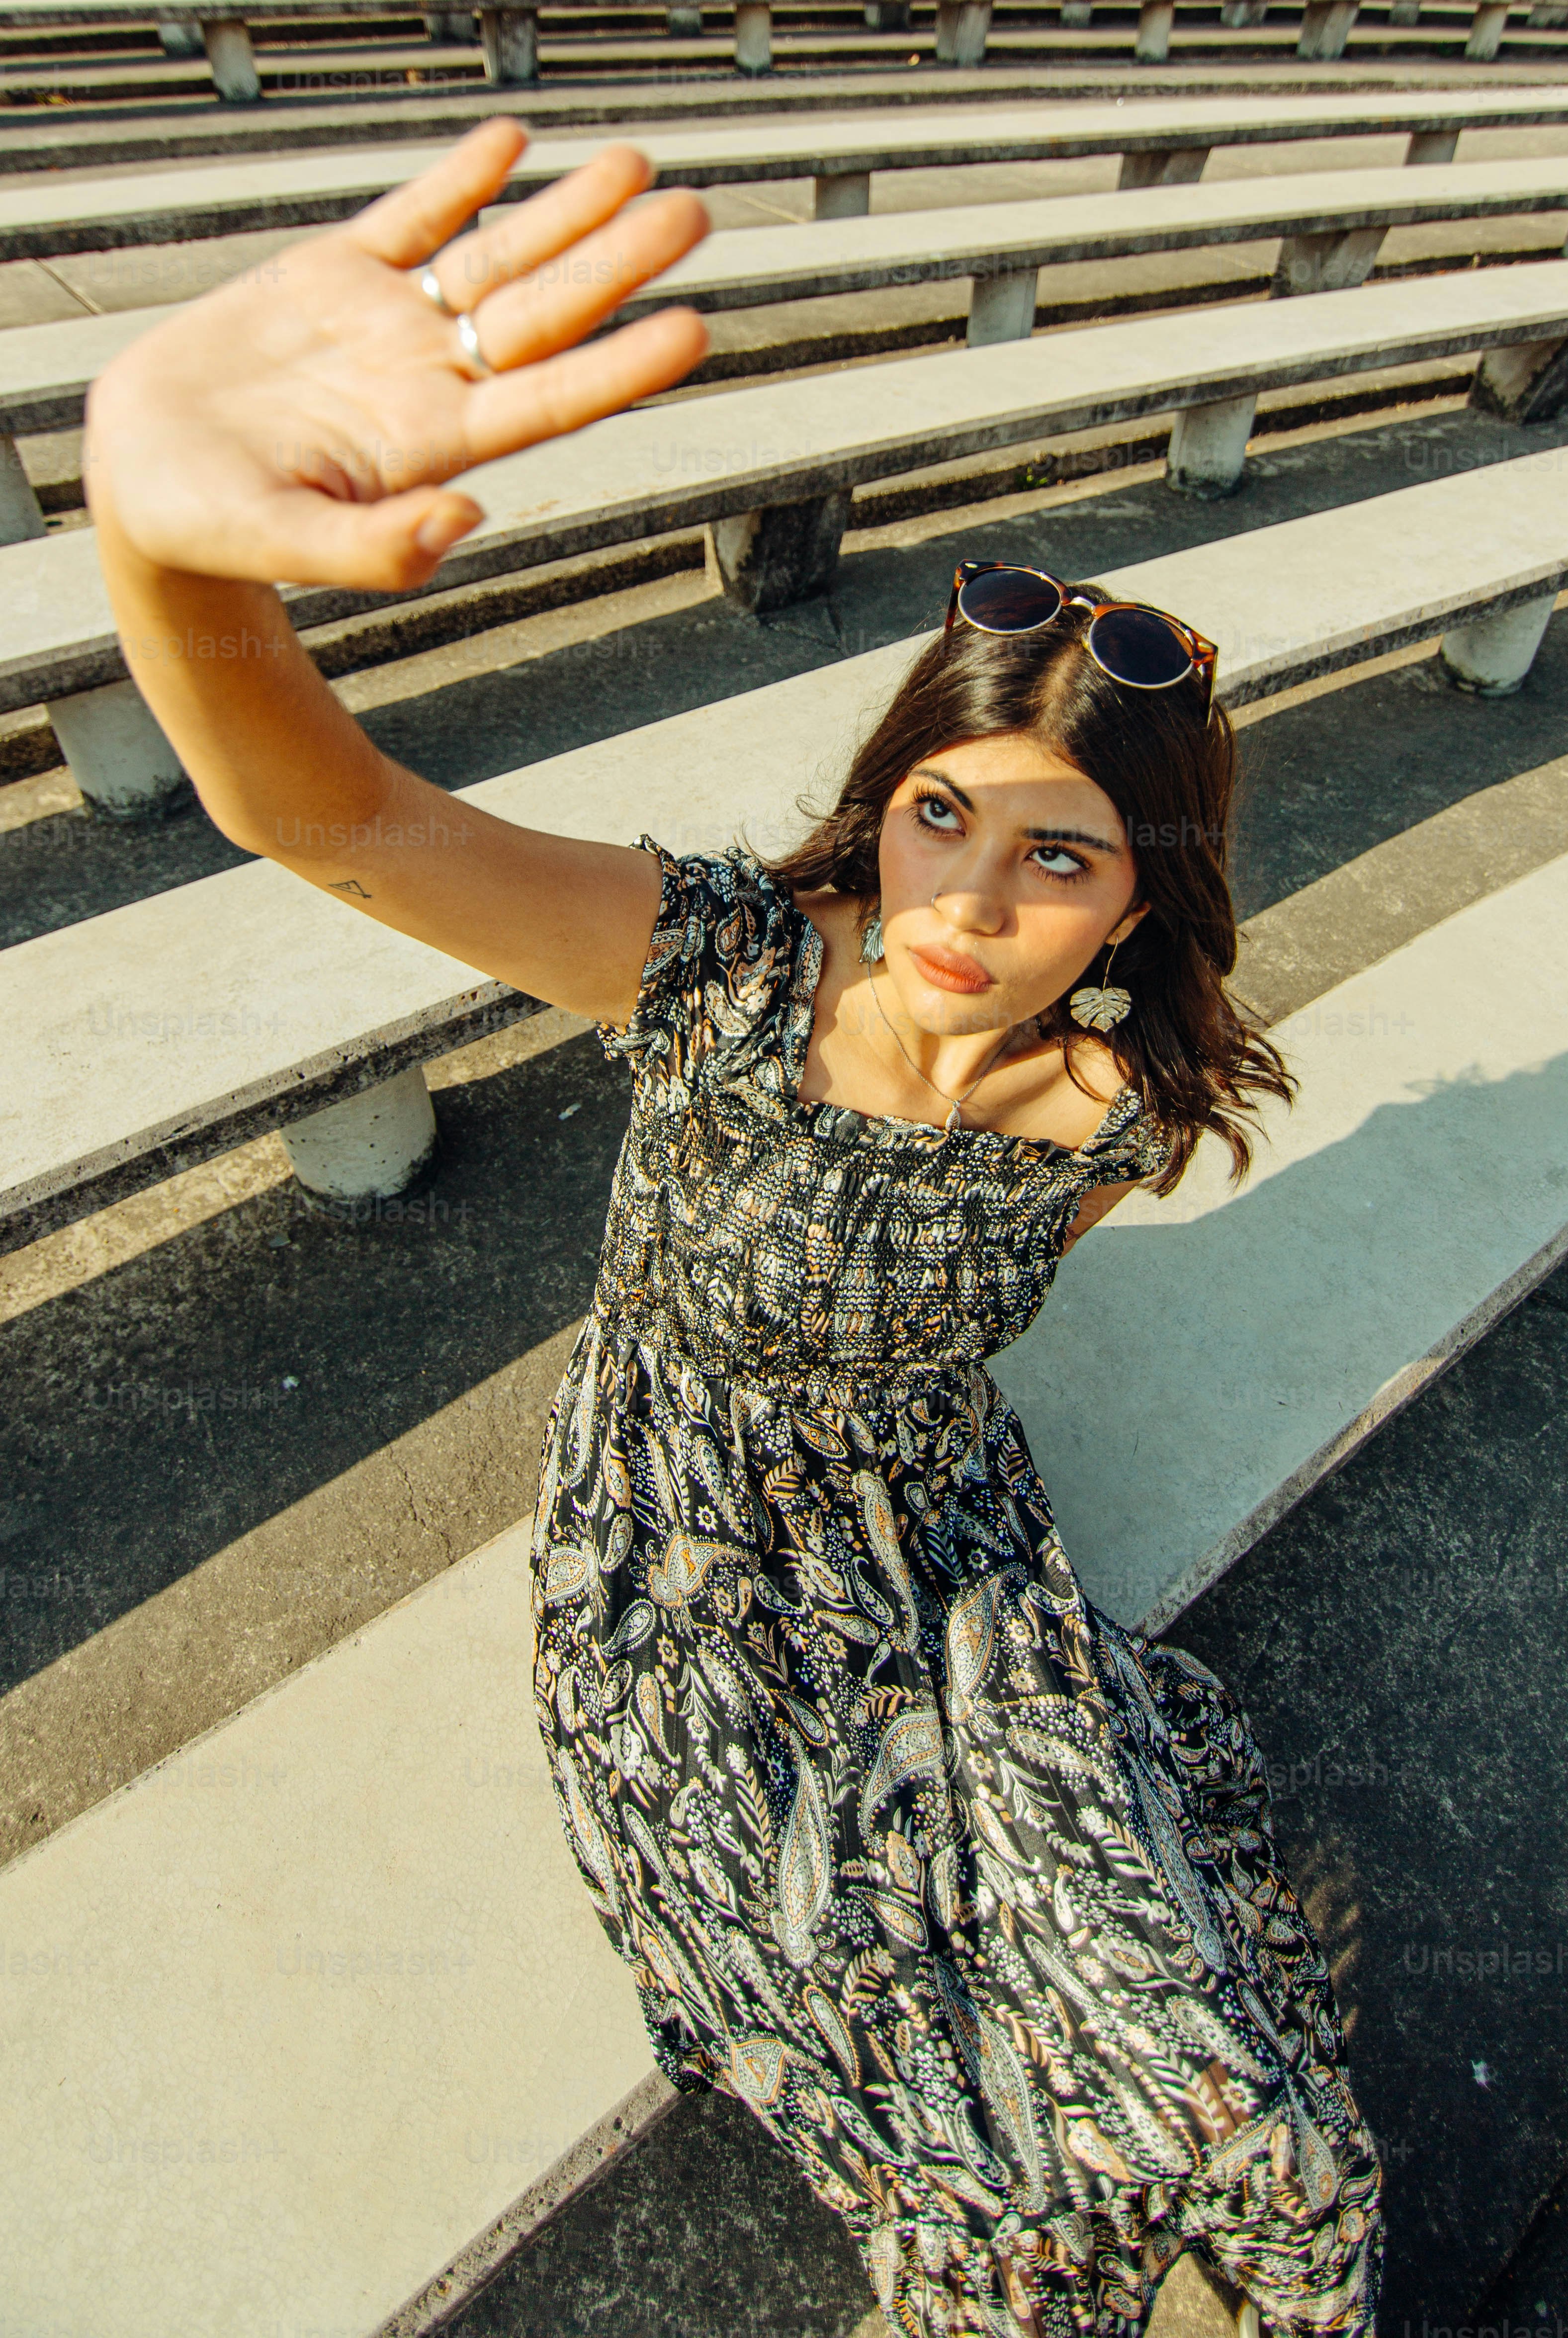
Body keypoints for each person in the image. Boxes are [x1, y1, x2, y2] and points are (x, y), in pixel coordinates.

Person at [88, 118, 1384, 2338]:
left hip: (943, 1554)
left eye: (1057, 862)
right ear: (881, 805)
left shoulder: (1116, 1108)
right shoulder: (715, 968)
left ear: (1147, 892)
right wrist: (165, 541)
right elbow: (337, 813)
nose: (966, 907)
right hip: (672, 1565)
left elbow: (966, 1334)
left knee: (1245, 2122)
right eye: (938, 819)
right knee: (958, 2159)